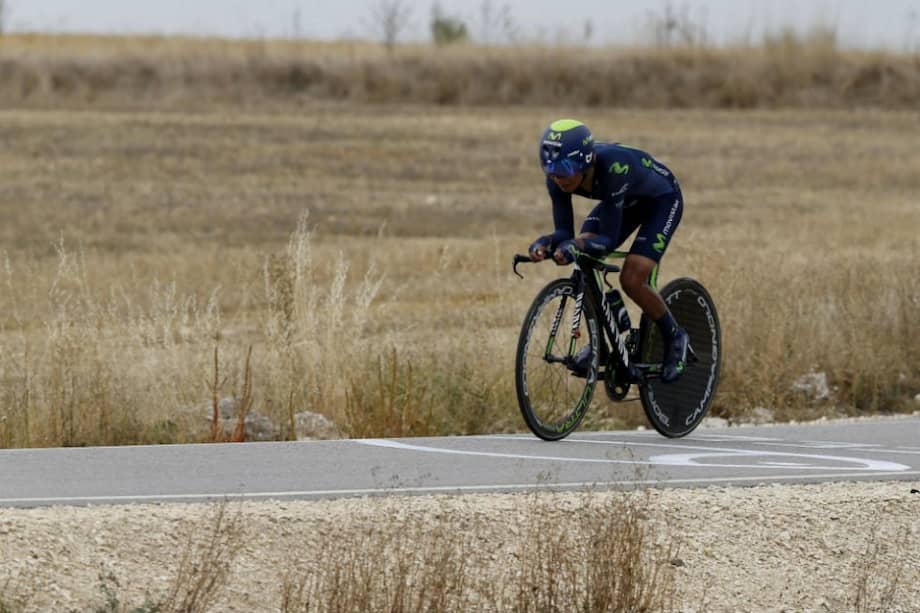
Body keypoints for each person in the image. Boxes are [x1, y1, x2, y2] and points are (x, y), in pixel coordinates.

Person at [528, 118, 689, 383]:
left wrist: (575, 245)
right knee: (584, 254)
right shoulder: (556, 180)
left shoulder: (613, 168)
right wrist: (545, 244)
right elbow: (564, 234)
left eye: (565, 171)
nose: (558, 179)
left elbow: (607, 239)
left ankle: (675, 336)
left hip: (661, 200)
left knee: (632, 278)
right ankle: (607, 337)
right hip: (623, 200)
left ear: (585, 162)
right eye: (552, 171)